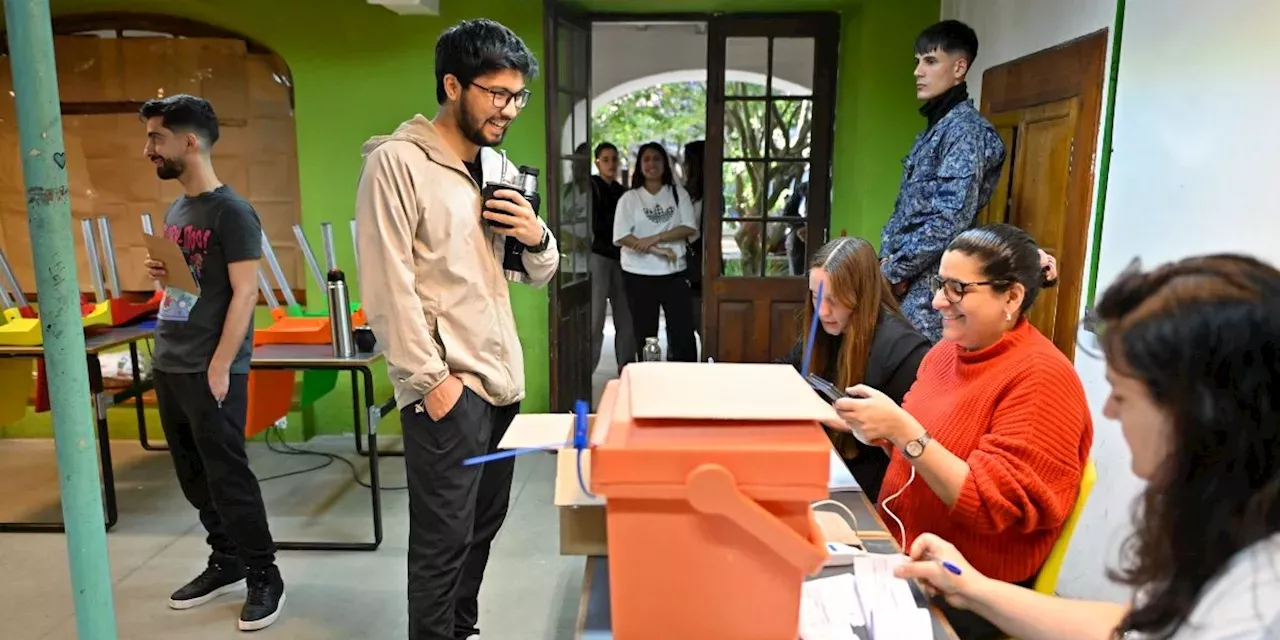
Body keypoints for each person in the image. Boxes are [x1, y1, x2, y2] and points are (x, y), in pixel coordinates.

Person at [895, 253, 1280, 640]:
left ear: (1203, 415)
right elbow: (1133, 626)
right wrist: (971, 589)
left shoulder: (1254, 610)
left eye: (1125, 396)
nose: (1110, 412)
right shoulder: (1224, 528)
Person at [353, 19, 556, 640]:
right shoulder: (397, 164)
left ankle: (460, 629)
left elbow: (534, 273)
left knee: (483, 527)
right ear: (452, 84)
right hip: (448, 389)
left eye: (518, 96)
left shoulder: (494, 166)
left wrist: (534, 235)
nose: (510, 109)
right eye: (497, 93)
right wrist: (432, 383)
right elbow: (387, 288)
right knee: (442, 542)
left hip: (501, 384)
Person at [827, 223, 1092, 640]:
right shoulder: (945, 354)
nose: (936, 302)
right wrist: (875, 429)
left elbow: (990, 506)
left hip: (969, 591)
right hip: (904, 556)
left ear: (1012, 296)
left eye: (957, 289)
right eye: (939, 284)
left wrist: (904, 431)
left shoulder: (1042, 379)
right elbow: (926, 442)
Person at [139, 94, 285, 631]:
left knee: (229, 477)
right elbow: (190, 288)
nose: (148, 148)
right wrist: (166, 275)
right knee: (193, 475)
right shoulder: (178, 209)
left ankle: (264, 575)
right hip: (172, 359)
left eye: (156, 137)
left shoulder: (233, 212)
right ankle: (224, 558)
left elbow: (246, 295)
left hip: (211, 366)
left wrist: (222, 365)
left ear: (189, 141)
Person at [879, 20, 1006, 343]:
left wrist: (893, 272)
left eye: (930, 61)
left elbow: (949, 218)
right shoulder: (939, 128)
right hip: (905, 283)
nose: (917, 71)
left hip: (932, 291)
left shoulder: (965, 132)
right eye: (917, 61)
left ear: (960, 66)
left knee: (914, 375)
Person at [782, 237, 931, 500]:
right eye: (815, 297)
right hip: (824, 467)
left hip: (873, 489)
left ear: (860, 295)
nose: (822, 311)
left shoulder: (904, 350)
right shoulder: (823, 330)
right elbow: (785, 372)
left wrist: (848, 422)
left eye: (834, 299)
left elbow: (912, 445)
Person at [613, 142, 699, 362]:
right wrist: (658, 250)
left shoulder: (677, 193)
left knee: (682, 335)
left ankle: (684, 382)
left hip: (674, 274)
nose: (652, 164)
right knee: (644, 335)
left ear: (665, 164)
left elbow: (689, 227)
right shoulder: (630, 199)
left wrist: (655, 237)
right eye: (646, 159)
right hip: (638, 275)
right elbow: (621, 236)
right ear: (640, 165)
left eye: (657, 159)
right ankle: (647, 382)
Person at [588, 141, 636, 372]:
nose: (611, 164)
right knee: (595, 320)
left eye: (614, 159)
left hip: (622, 258)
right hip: (597, 257)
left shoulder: (622, 193)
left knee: (625, 319)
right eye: (605, 159)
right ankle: (585, 372)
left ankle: (626, 369)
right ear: (597, 162)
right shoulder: (590, 187)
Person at [681, 140, 706, 343]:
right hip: (691, 264)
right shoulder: (686, 193)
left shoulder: (707, 196)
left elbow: (694, 233)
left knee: (699, 322)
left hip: (698, 264)